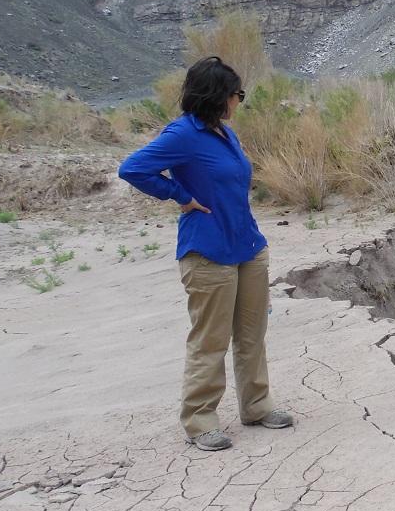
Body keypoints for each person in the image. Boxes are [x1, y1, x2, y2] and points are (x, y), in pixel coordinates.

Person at [119, 56, 294, 451]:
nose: (239, 101)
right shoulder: (182, 135)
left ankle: (257, 406)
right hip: (208, 251)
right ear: (219, 96)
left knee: (252, 335)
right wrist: (179, 195)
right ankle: (201, 421)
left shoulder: (224, 133)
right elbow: (132, 169)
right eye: (238, 94)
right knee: (209, 341)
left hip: (248, 246)